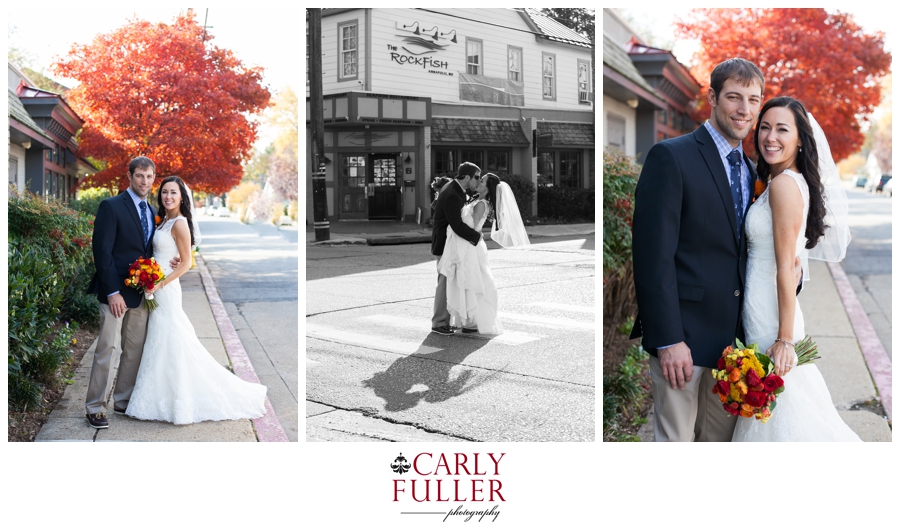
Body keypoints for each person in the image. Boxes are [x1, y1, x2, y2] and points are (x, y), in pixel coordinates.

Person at [631, 58, 767, 442]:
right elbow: (652, 257)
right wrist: (668, 339)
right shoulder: (672, 157)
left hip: (734, 347)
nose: (744, 109)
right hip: (683, 339)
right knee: (674, 444)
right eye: (734, 97)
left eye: (753, 100)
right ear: (712, 97)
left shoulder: (754, 171)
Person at [732, 96, 859, 442]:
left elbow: (786, 266)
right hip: (762, 308)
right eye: (765, 128)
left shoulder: (785, 185)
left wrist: (785, 339)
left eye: (782, 129)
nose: (770, 137)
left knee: (784, 414)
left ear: (800, 138)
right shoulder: (782, 180)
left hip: (773, 318)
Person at [124, 176, 267, 424]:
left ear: (182, 197)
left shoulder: (179, 223)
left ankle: (180, 399)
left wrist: (160, 283)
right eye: (165, 192)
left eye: (174, 193)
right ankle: (157, 396)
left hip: (166, 288)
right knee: (160, 338)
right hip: (156, 283)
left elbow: (187, 262)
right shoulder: (163, 221)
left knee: (171, 337)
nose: (168, 196)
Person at [84, 156, 160, 429]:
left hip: (140, 294)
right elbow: (101, 253)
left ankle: (123, 401)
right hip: (114, 294)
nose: (145, 181)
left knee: (133, 351)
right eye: (140, 175)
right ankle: (95, 406)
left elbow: (150, 250)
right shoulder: (112, 206)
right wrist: (112, 291)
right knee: (108, 348)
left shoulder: (152, 211)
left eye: (149, 176)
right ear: (129, 176)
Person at [437, 173, 531, 335]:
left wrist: (454, 225)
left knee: (472, 281)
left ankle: (473, 320)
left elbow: (472, 226)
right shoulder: (475, 200)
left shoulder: (481, 203)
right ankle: (466, 319)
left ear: (488, 188)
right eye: (479, 180)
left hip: (469, 246)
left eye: (482, 181)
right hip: (466, 243)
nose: (479, 182)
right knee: (465, 281)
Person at [430, 162, 482, 336]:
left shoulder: (455, 188)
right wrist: (477, 237)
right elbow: (457, 225)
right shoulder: (453, 193)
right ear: (466, 177)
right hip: (445, 244)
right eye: (476, 177)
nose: (478, 181)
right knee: (444, 282)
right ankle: (438, 323)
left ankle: (444, 320)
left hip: (447, 243)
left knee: (447, 281)